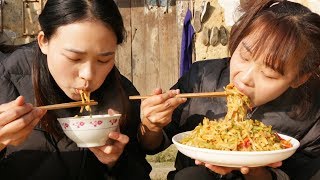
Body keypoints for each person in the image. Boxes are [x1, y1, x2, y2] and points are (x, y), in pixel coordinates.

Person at [138, 0, 320, 180]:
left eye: (269, 74)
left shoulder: (313, 116)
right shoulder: (201, 77)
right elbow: (152, 146)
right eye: (244, 56)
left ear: (299, 78)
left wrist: (257, 173)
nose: (245, 78)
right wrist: (151, 126)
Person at [0, 0, 151, 179]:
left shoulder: (120, 90)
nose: (88, 74)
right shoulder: (6, 80)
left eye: (104, 60)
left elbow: (139, 171)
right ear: (44, 42)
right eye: (74, 58)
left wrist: (114, 162)